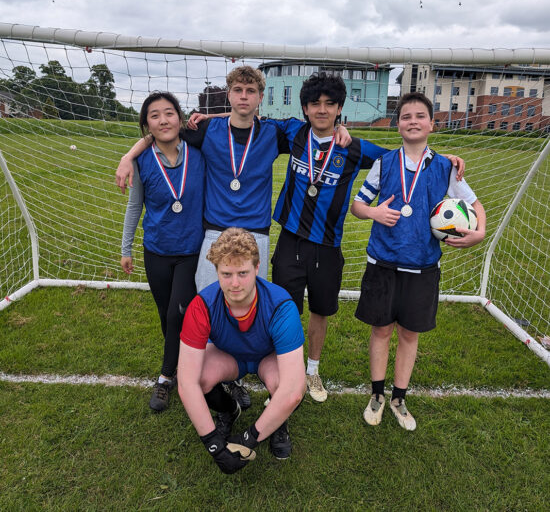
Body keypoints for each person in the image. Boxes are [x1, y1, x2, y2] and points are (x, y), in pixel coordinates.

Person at [116, 66, 349, 409]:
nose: (243, 96)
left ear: (260, 97)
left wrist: (340, 127)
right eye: (237, 90)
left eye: (250, 91)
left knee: (246, 311)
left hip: (256, 235)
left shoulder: (274, 132)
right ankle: (206, 374)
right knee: (210, 309)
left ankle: (236, 378)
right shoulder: (206, 129)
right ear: (228, 94)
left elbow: (319, 127)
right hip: (215, 234)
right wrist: (129, 155)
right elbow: (163, 132)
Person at [267, 73, 465, 403]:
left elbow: (403, 156)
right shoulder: (293, 132)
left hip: (328, 245)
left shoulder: (354, 147)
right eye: (315, 104)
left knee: (320, 312)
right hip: (290, 240)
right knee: (285, 311)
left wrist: (447, 161)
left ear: (339, 109)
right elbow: (246, 117)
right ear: (305, 108)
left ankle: (312, 370)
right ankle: (286, 373)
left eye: (330, 104)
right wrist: (204, 117)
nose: (321, 110)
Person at [351, 91, 486, 431]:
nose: (413, 121)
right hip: (383, 262)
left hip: (423, 265)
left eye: (420, 116)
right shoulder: (384, 163)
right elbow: (357, 206)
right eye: (406, 116)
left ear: (432, 124)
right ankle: (377, 394)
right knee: (381, 330)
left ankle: (399, 398)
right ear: (398, 125)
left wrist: (480, 232)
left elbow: (475, 205)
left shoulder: (445, 167)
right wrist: (373, 212)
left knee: (410, 334)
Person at [177, 228, 306, 474]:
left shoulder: (281, 305)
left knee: (290, 385)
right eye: (226, 274)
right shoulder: (201, 305)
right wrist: (214, 445)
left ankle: (277, 422)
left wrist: (248, 439)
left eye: (243, 273)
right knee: (199, 378)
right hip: (228, 356)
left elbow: (293, 391)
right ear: (216, 271)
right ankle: (229, 410)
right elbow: (186, 382)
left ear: (257, 268)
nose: (235, 283)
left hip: (267, 358)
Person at [121, 91, 205, 412]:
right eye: (154, 115)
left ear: (179, 118)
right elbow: (135, 206)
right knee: (165, 315)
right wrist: (126, 248)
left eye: (169, 113)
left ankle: (166, 377)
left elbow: (238, 120)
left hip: (191, 251)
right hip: (156, 251)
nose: (163, 120)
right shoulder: (142, 161)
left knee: (177, 313)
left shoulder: (199, 152)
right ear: (147, 124)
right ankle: (182, 363)